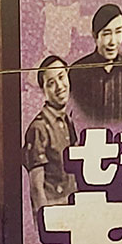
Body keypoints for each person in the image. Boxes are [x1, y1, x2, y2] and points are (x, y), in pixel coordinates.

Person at [23, 56, 78, 218]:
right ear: (43, 91)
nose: (59, 86)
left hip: (74, 209)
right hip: (55, 214)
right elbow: (36, 187)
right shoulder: (38, 128)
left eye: (61, 77)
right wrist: (44, 224)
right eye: (51, 83)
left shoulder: (68, 120)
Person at [70, 4, 122, 125]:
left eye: (118, 32)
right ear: (95, 35)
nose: (113, 42)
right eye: (106, 33)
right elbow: (75, 117)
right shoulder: (77, 71)